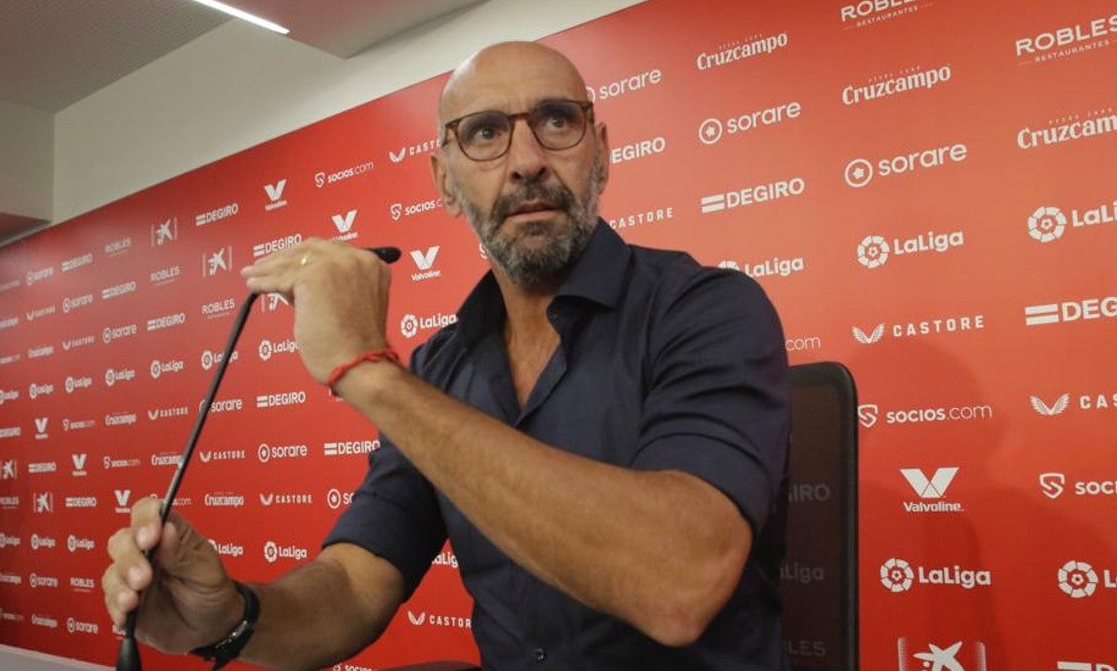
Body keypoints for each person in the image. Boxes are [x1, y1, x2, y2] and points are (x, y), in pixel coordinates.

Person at [103, 41, 791, 670]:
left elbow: (678, 582)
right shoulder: (442, 367)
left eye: (556, 121)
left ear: (601, 153)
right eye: (485, 133)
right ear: (443, 179)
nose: (526, 161)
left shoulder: (707, 309)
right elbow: (354, 586)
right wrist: (230, 619)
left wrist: (367, 372)